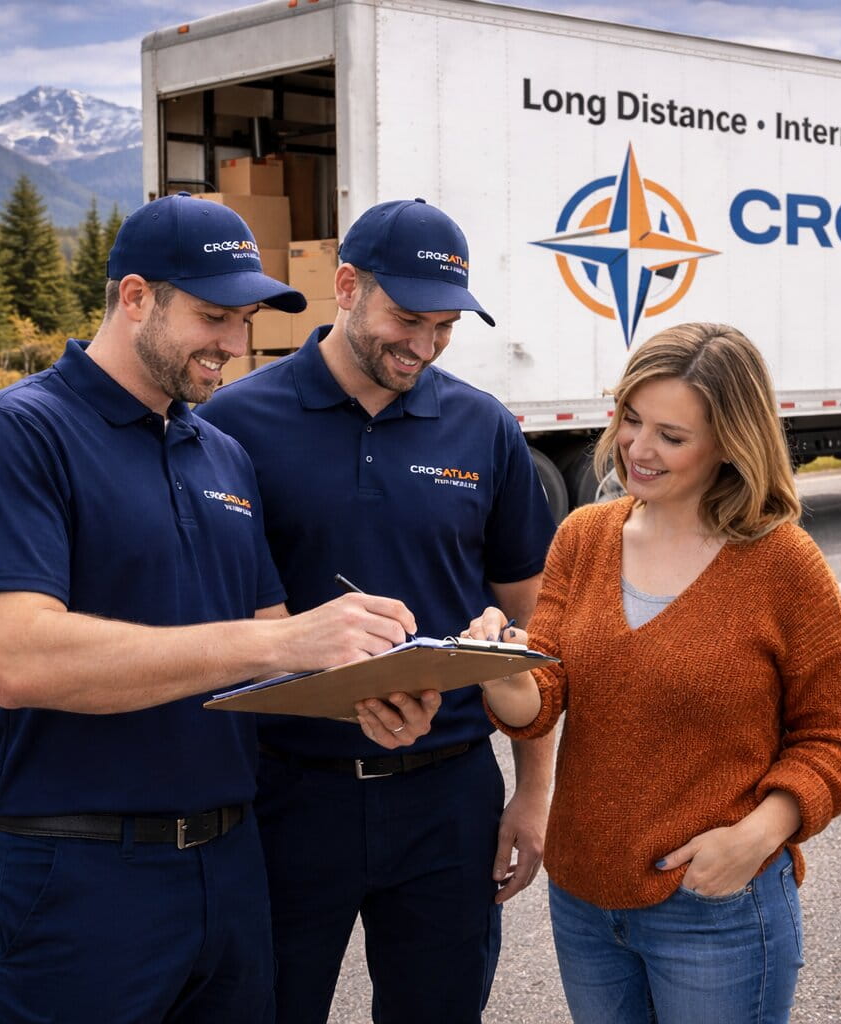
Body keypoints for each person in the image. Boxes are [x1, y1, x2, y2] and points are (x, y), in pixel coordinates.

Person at [0, 192, 437, 1024]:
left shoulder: (222, 453)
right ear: (135, 298)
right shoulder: (16, 435)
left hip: (231, 868)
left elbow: (274, 647)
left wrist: (373, 695)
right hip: (76, 872)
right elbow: (19, 661)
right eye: (213, 318)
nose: (234, 348)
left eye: (245, 323)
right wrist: (282, 643)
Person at [197, 198, 557, 1023]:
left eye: (445, 328)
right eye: (407, 318)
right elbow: (209, 617)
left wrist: (534, 791)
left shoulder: (484, 428)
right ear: (347, 286)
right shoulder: (232, 426)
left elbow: (534, 633)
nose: (424, 346)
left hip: (447, 798)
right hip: (288, 795)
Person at [470, 322, 841, 1024]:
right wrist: (499, 670)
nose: (637, 448)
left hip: (718, 907)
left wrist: (756, 836)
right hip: (585, 902)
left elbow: (831, 741)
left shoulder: (785, 567)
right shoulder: (584, 538)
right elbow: (545, 695)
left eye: (671, 436)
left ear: (729, 445)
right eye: (630, 418)